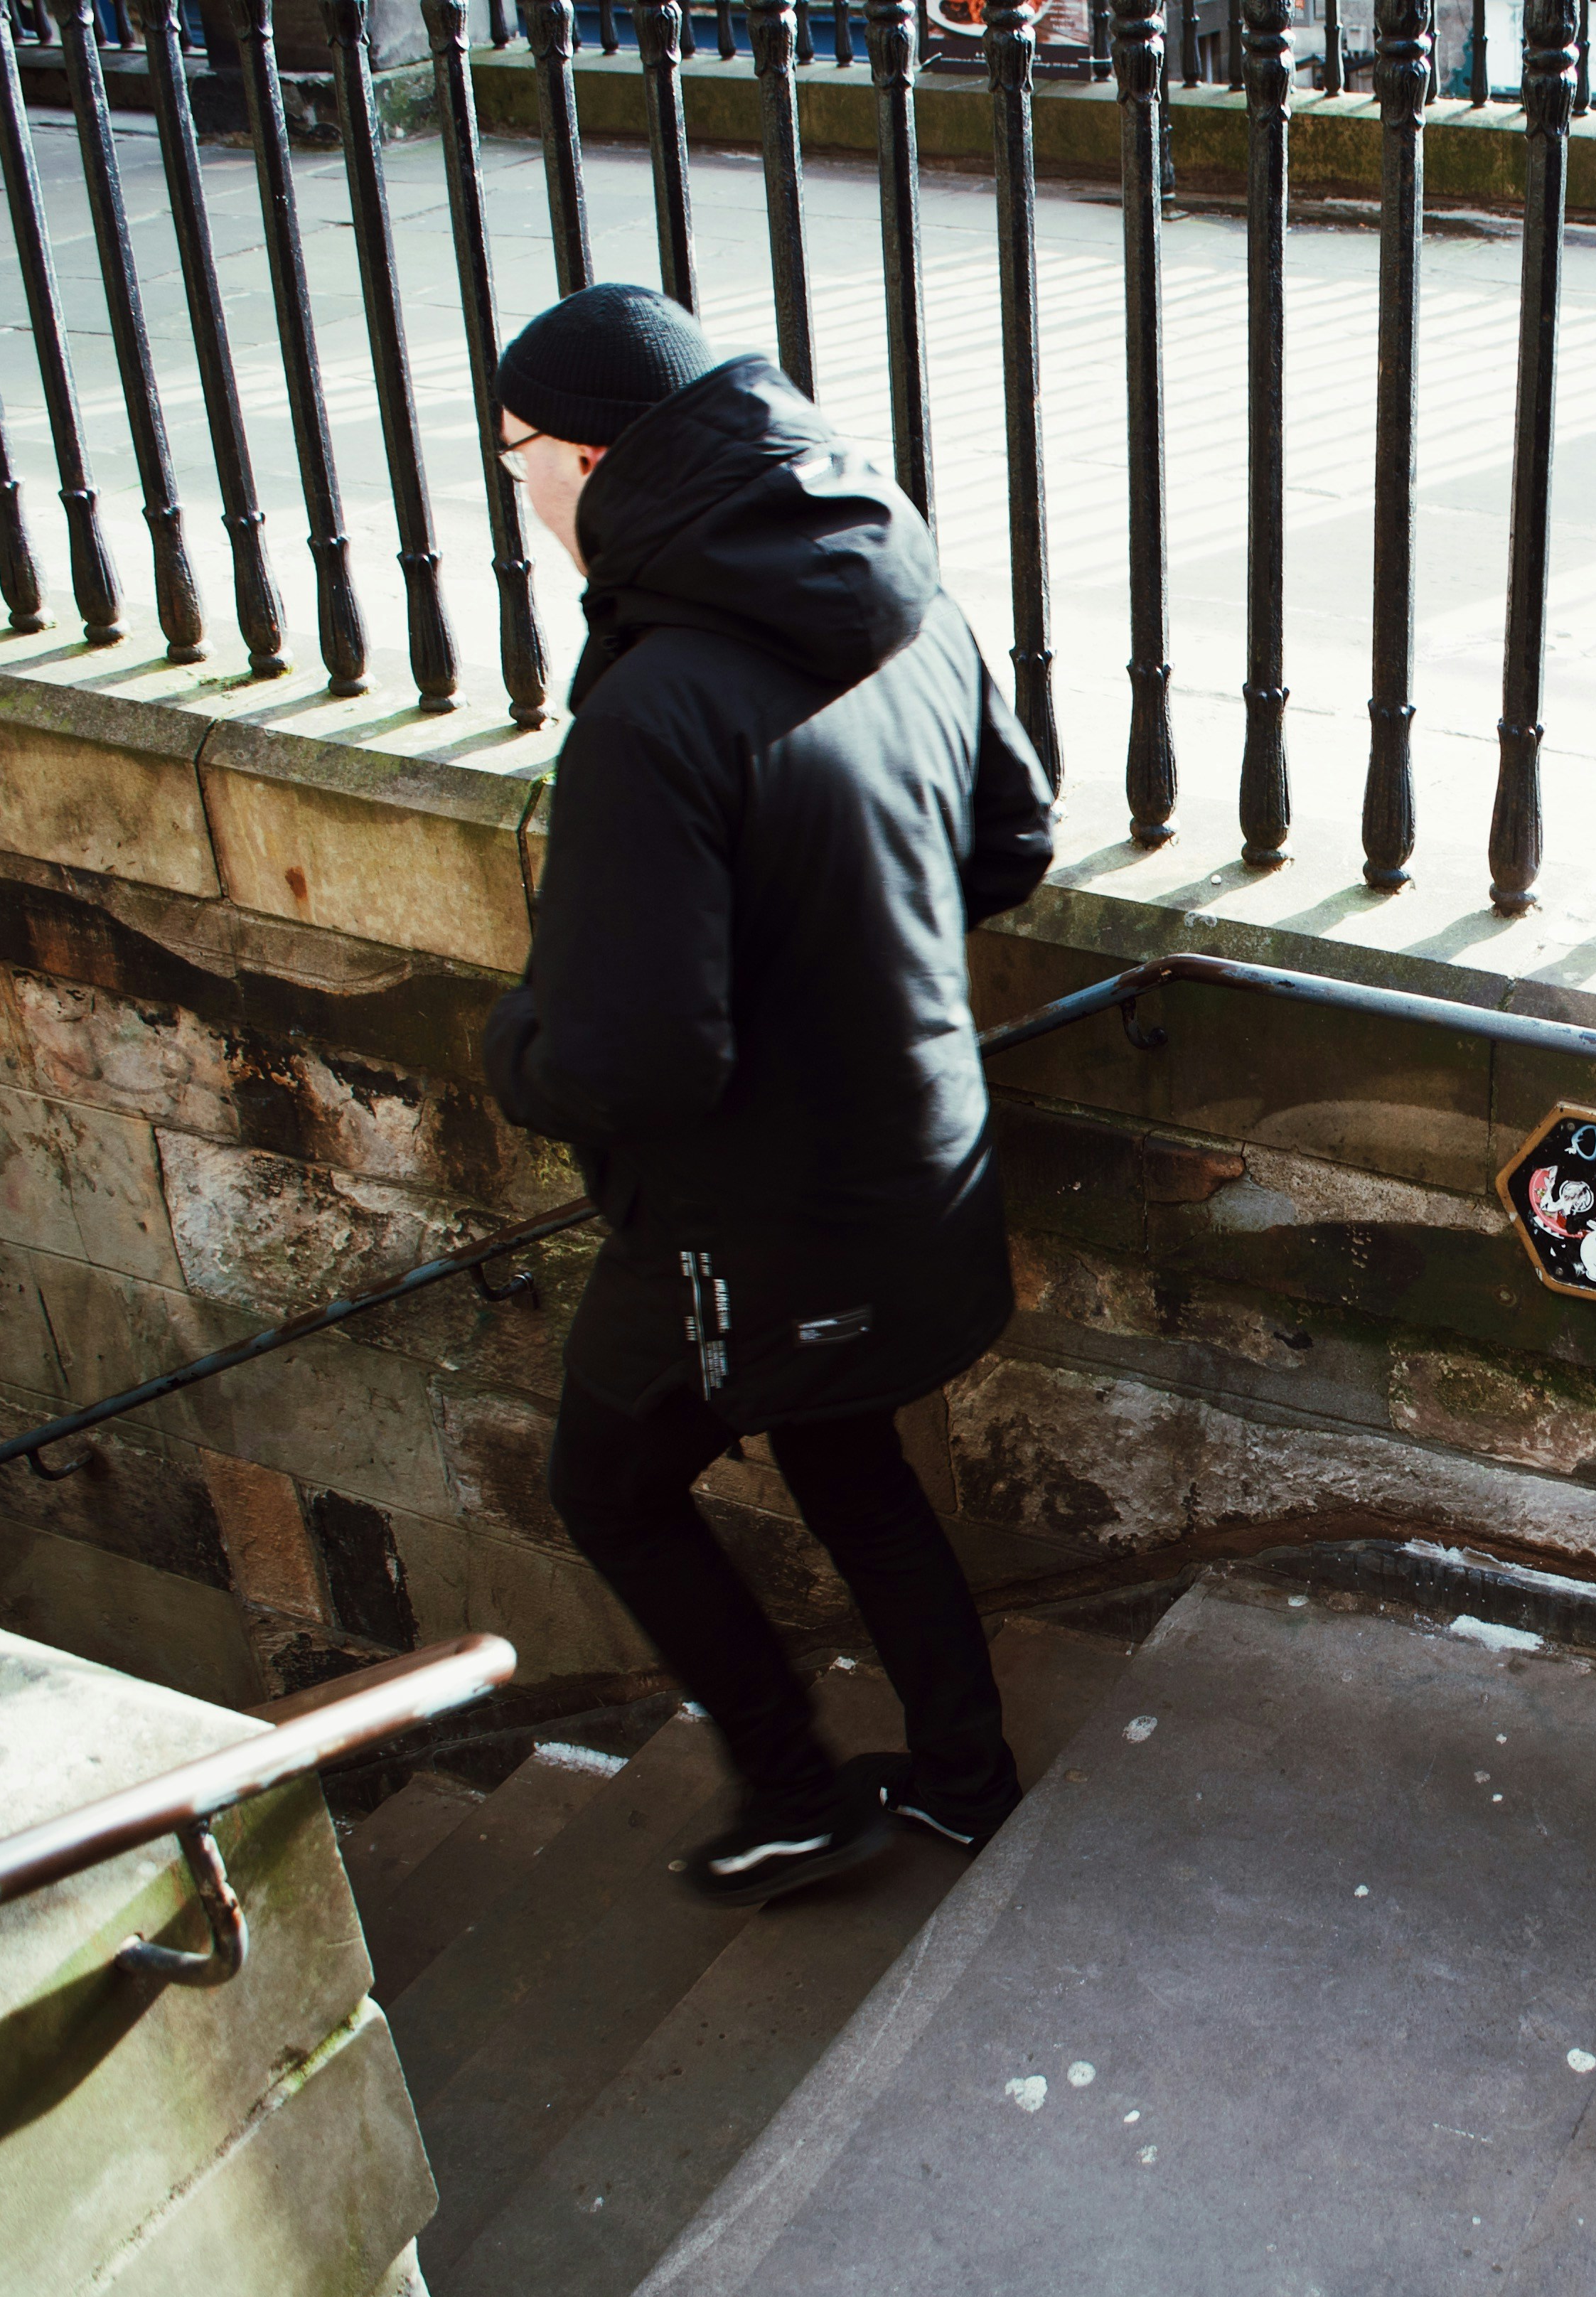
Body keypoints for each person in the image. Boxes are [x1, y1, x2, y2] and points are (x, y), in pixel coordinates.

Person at [481, 283, 1056, 1906]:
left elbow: (632, 1059)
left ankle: (796, 1793)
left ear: (586, 457)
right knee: (842, 1450)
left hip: (752, 1222)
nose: (515, 488)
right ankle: (960, 1778)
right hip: (920, 1155)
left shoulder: (656, 706)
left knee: (608, 1483)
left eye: (511, 456)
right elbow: (1008, 843)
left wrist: (506, 1044)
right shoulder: (891, 584)